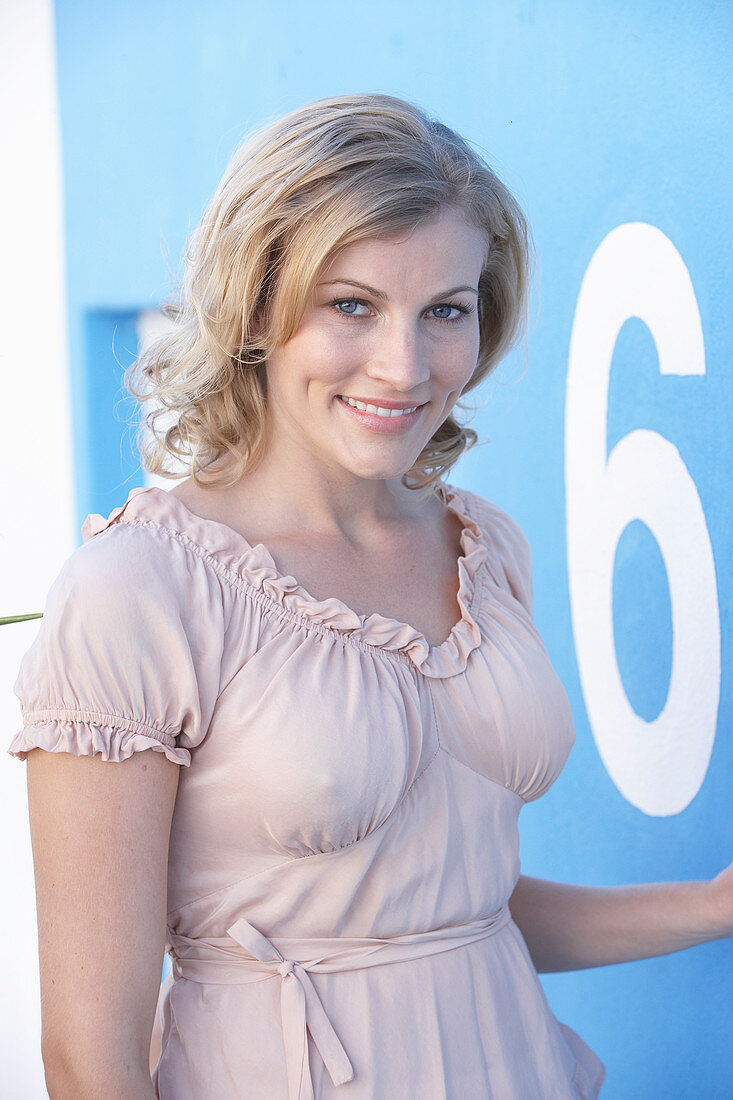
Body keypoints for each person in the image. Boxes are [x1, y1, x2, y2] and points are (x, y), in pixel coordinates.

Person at [8, 92, 731, 1100]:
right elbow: (91, 1061)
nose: (404, 364)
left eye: (445, 309)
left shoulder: (482, 545)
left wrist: (711, 904)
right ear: (257, 306)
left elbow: (455, 914)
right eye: (351, 304)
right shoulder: (140, 590)